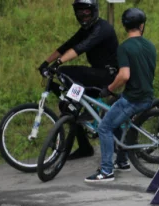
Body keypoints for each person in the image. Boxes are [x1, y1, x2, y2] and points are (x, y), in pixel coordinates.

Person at [40, 0, 120, 161]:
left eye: (86, 12)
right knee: (69, 108)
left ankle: (80, 104)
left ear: (94, 11)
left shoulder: (102, 28)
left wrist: (58, 63)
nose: (83, 15)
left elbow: (81, 47)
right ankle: (84, 147)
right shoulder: (86, 29)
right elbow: (67, 45)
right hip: (97, 73)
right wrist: (45, 62)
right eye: (79, 12)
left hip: (108, 75)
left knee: (64, 72)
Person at [84, 7, 157, 182]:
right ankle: (122, 161)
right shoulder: (150, 46)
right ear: (142, 26)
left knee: (104, 127)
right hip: (147, 95)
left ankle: (106, 171)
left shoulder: (124, 47)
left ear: (124, 27)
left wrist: (109, 89)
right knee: (116, 123)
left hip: (133, 99)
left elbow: (124, 75)